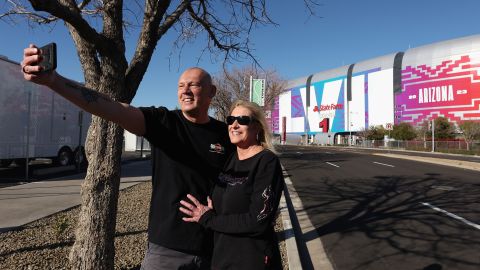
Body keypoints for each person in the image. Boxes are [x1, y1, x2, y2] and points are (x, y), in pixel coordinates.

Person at [21, 44, 234, 269]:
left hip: (218, 245)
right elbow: (112, 108)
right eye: (181, 85)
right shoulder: (164, 123)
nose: (186, 91)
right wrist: (54, 81)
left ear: (212, 92)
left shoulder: (227, 133)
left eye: (194, 85)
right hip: (169, 249)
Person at [179, 100, 285, 270]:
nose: (234, 125)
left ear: (257, 127)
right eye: (231, 120)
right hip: (222, 255)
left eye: (243, 120)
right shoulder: (231, 159)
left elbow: (257, 221)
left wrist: (208, 218)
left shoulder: (266, 162)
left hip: (251, 259)